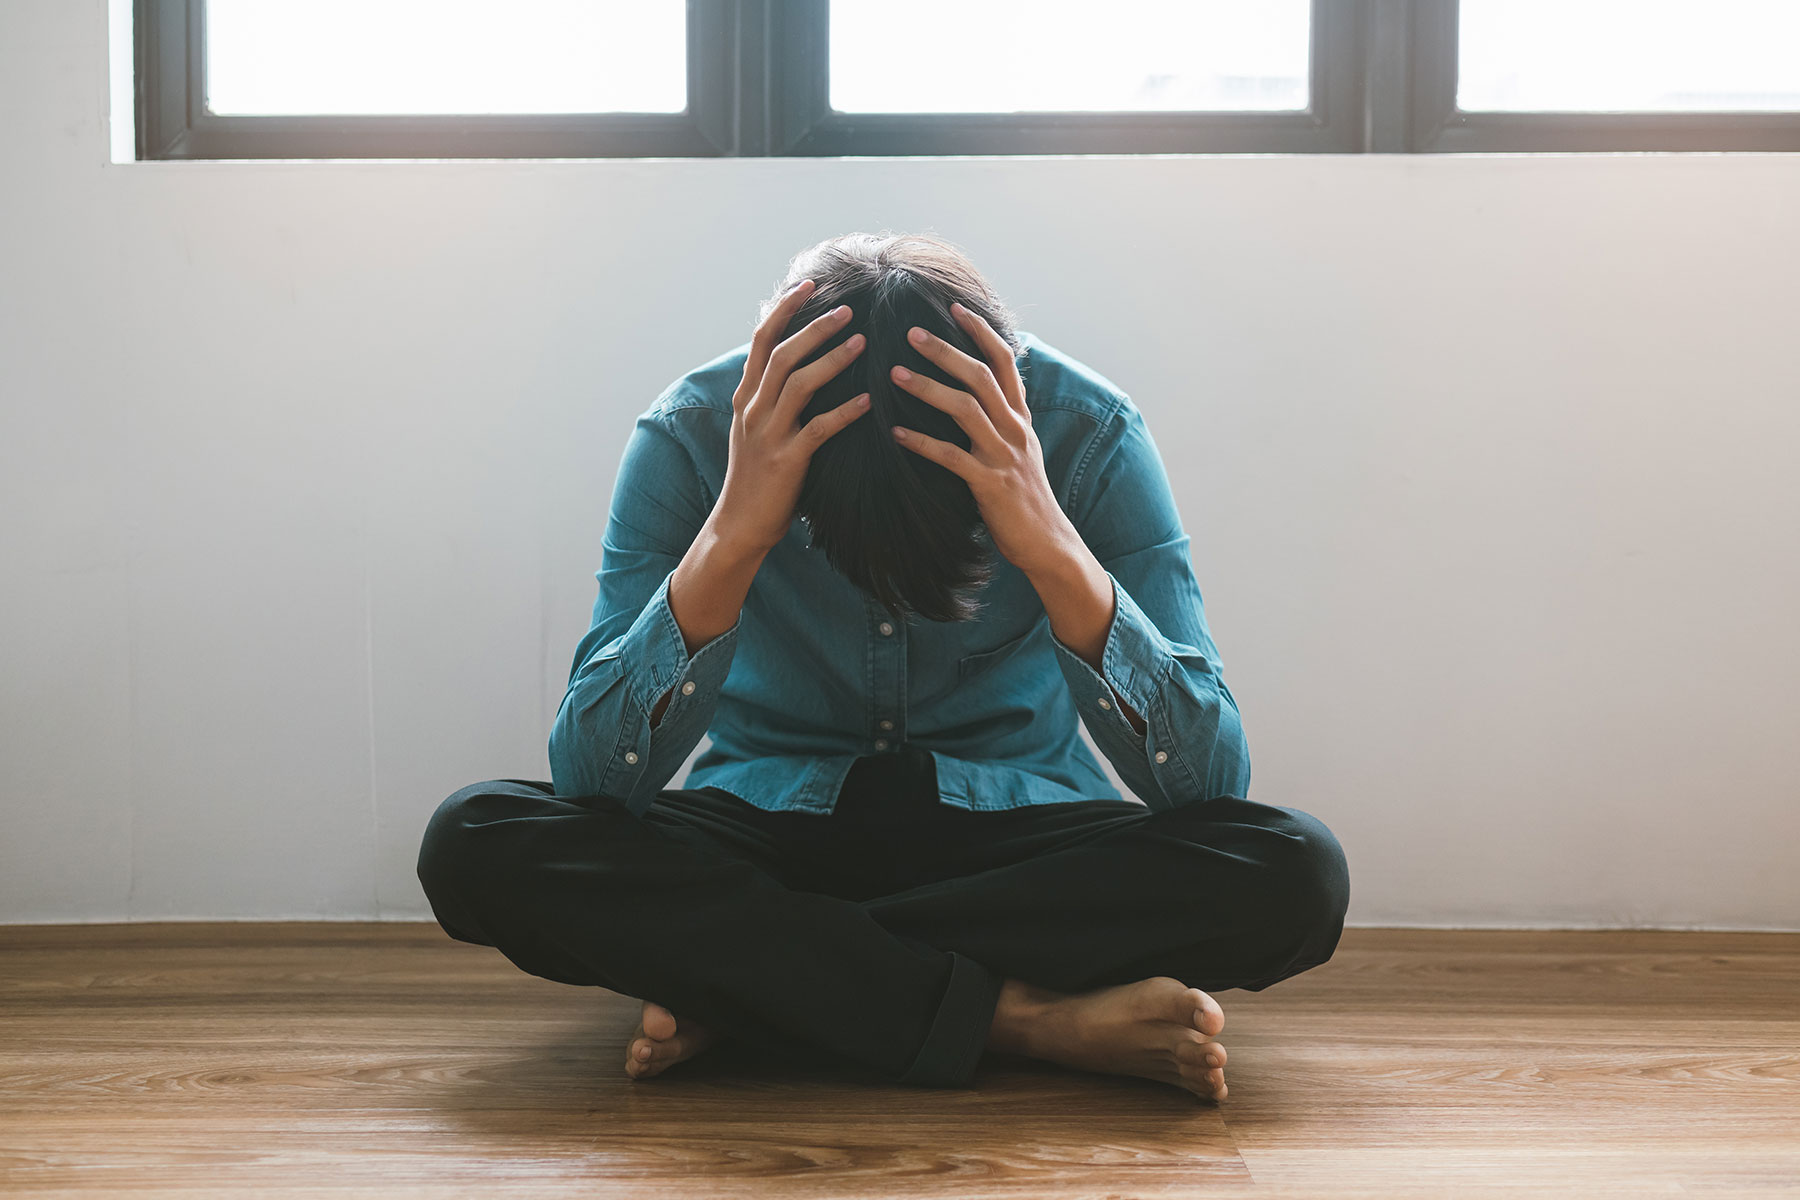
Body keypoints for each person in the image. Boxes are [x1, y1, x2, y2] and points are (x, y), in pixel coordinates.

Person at [417, 232, 1349, 1104]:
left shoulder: (1086, 431)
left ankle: (764, 988)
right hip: (767, 821)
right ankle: (1026, 1020)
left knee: (1295, 870)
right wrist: (734, 532)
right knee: (474, 839)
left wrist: (1050, 542)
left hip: (1005, 834)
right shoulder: (694, 433)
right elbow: (591, 777)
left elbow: (1211, 780)